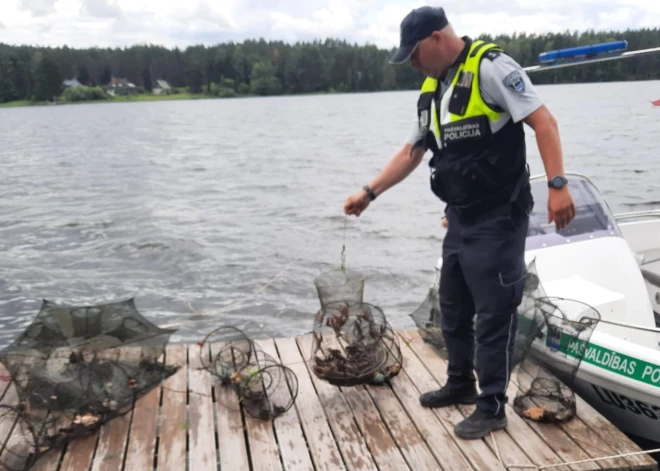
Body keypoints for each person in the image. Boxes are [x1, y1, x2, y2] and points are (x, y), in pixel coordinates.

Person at [343, 6, 576, 439]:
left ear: (435, 38)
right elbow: (413, 151)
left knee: (494, 314)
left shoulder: (491, 68)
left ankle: (491, 406)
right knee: (452, 306)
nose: (412, 65)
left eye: (413, 55)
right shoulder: (432, 88)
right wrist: (369, 192)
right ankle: (460, 384)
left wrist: (558, 185)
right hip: (460, 220)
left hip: (499, 218)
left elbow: (544, 122)